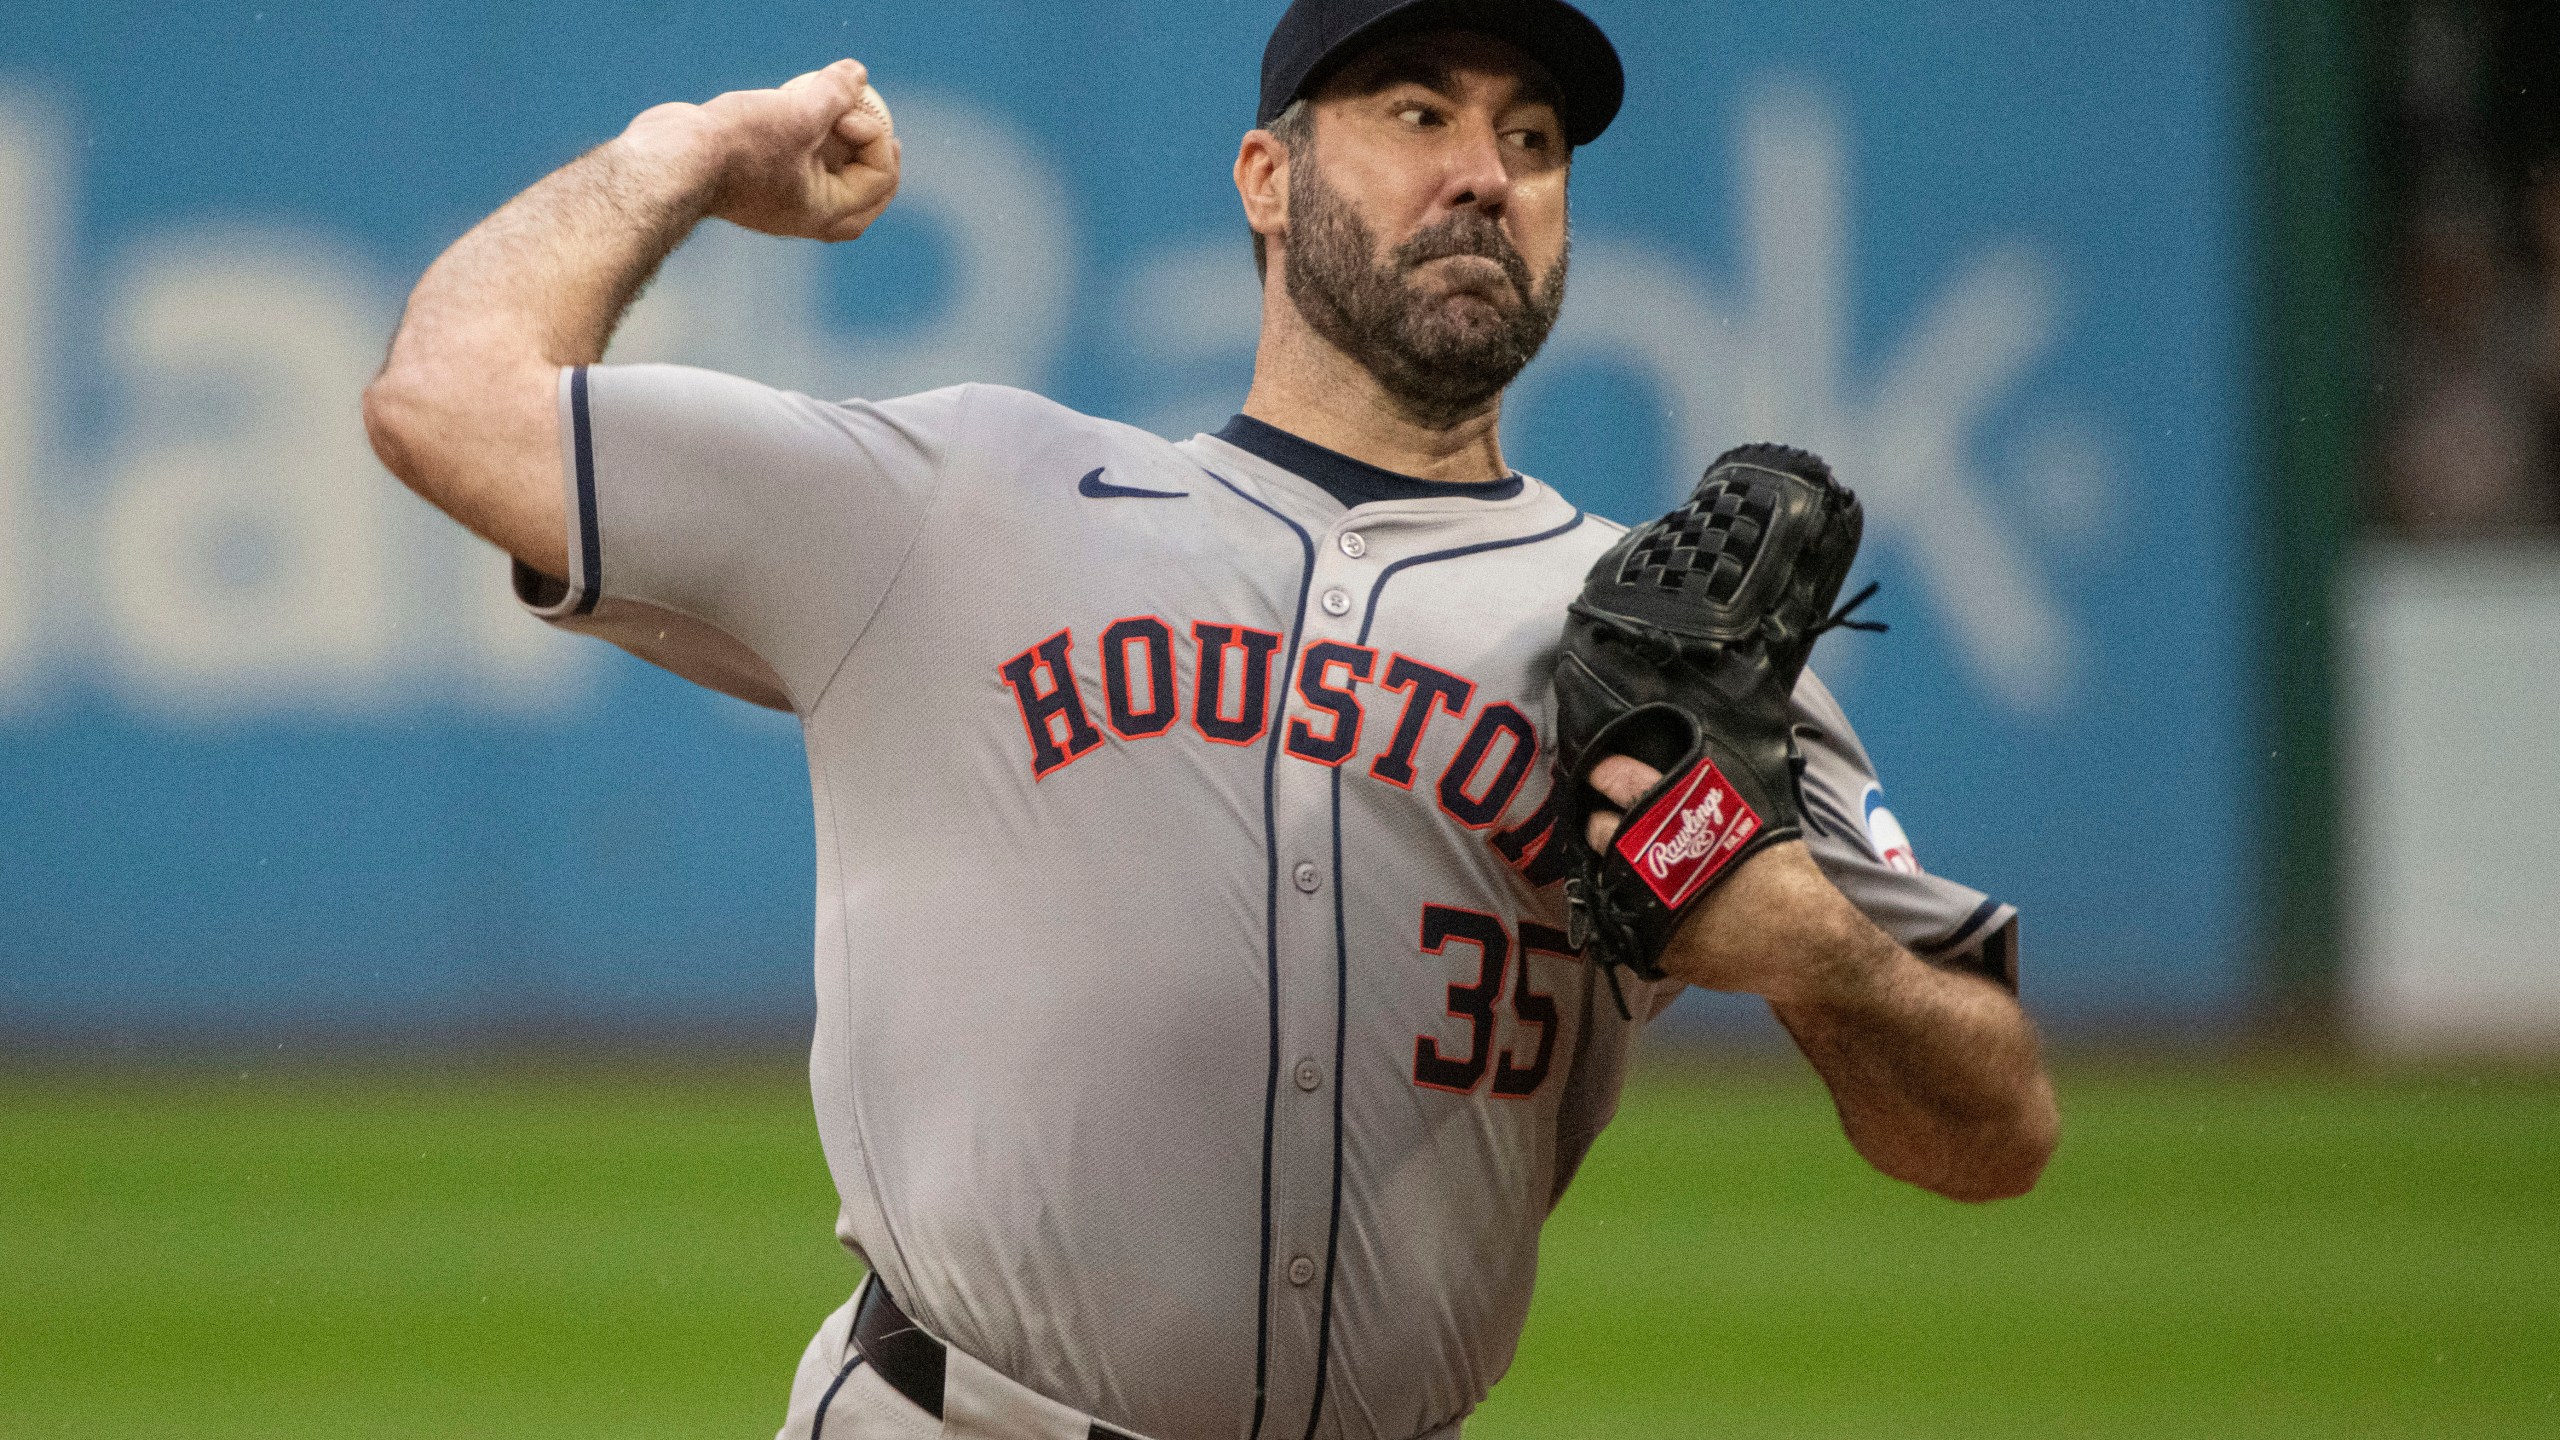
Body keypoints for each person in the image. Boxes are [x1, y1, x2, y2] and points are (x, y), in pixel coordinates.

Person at [361, 2, 2058, 1436]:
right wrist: (692, 153)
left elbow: (1995, 1133)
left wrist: (1816, 954)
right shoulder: (963, 500)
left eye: (1534, 141)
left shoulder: (1659, 650)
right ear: (1268, 178)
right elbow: (448, 401)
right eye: (1418, 114)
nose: (1486, 171)